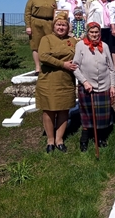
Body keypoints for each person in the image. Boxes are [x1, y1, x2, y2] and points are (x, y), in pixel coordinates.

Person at [36, 11, 78, 153]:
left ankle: (59, 139)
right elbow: (43, 56)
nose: (61, 27)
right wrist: (62, 64)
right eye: (58, 25)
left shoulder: (72, 41)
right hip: (49, 79)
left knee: (63, 109)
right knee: (48, 109)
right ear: (54, 26)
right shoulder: (46, 39)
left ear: (68, 27)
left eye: (64, 25)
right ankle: (50, 140)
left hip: (66, 80)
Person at [73, 22, 115, 152]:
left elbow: (111, 68)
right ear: (87, 33)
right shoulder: (80, 45)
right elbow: (75, 67)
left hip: (104, 86)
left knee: (103, 115)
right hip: (87, 86)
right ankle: (84, 140)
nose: (94, 35)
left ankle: (102, 138)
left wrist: (112, 86)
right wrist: (84, 82)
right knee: (87, 114)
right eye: (92, 32)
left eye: (97, 32)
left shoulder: (105, 46)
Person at [25, 0, 57, 74]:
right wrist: (28, 26)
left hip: (49, 23)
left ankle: (48, 65)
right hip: (36, 23)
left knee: (50, 44)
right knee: (36, 45)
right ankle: (38, 67)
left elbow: (56, 13)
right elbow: (27, 13)